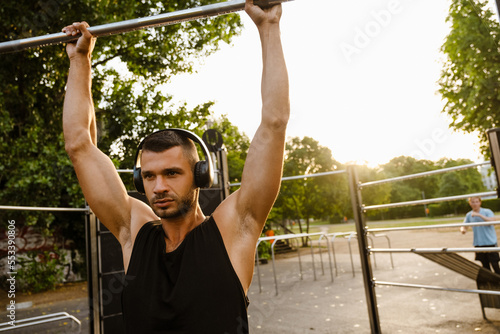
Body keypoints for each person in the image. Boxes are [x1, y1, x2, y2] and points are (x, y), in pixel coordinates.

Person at [61, 0, 289, 332]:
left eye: (172, 173)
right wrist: (79, 60)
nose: (159, 187)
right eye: (149, 176)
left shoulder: (233, 228)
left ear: (200, 175)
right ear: (139, 180)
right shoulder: (134, 231)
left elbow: (274, 123)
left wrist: (269, 27)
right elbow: (79, 145)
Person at [461, 196, 500, 274]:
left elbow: (493, 221)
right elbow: (464, 225)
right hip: (479, 243)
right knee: (485, 267)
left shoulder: (487, 211)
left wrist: (479, 215)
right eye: (473, 202)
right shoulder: (469, 215)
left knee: (495, 264)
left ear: (480, 202)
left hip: (490, 242)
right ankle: (490, 283)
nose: (475, 204)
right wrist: (463, 229)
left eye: (476, 201)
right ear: (470, 203)